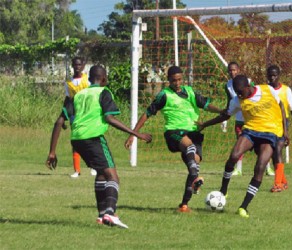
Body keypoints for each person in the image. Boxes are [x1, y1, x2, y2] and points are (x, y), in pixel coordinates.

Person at [46, 65, 152, 228]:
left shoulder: (79, 95)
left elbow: (60, 121)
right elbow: (109, 118)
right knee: (113, 176)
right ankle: (110, 213)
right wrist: (137, 134)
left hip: (77, 140)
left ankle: (102, 214)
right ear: (104, 79)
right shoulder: (104, 92)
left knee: (102, 174)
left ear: (89, 79)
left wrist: (52, 152)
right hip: (93, 137)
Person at [125, 65, 223, 213]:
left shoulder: (190, 92)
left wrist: (222, 111)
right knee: (189, 148)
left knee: (194, 168)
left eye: (179, 80)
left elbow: (206, 105)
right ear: (168, 80)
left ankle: (184, 205)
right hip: (174, 132)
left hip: (194, 132)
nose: (177, 83)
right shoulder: (164, 95)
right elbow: (147, 114)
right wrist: (133, 134)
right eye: (173, 80)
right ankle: (196, 179)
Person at [198, 75, 288, 218]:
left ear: (248, 86)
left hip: (270, 133)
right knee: (234, 156)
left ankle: (244, 207)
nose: (240, 95)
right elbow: (225, 116)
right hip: (251, 131)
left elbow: (281, 106)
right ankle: (224, 190)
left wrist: (285, 132)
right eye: (237, 92)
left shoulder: (267, 89)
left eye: (241, 91)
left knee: (260, 167)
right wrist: (205, 124)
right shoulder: (237, 100)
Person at [222, 62, 274, 176]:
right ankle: (239, 169)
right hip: (239, 118)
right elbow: (229, 102)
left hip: (252, 119)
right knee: (239, 145)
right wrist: (224, 119)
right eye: (230, 70)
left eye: (234, 70)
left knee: (262, 145)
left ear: (238, 70)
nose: (232, 72)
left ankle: (268, 168)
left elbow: (254, 95)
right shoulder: (228, 85)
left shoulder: (247, 81)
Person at [266, 65, 292, 192]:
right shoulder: (264, 90)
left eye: (275, 75)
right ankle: (283, 181)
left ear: (279, 76)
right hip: (268, 124)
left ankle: (278, 184)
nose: (272, 78)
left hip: (283, 124)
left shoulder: (286, 90)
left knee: (278, 150)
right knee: (271, 153)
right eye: (270, 75)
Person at [63, 56, 96, 178]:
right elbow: (67, 100)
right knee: (76, 142)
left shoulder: (87, 80)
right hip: (75, 116)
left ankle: (93, 166)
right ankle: (77, 170)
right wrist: (64, 116)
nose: (77, 67)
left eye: (79, 65)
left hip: (87, 114)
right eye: (75, 65)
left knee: (89, 140)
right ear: (72, 66)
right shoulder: (69, 83)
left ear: (83, 66)